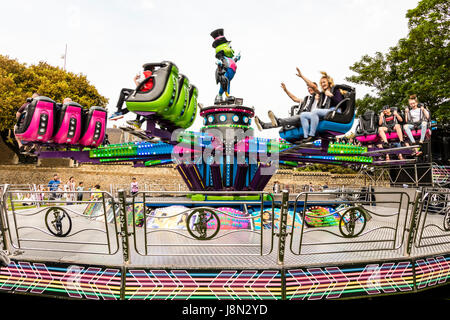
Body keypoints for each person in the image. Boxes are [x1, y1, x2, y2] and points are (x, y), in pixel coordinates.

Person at [267, 69, 345, 143]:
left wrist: (331, 95)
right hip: (325, 112)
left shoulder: (335, 90)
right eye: (321, 83)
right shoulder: (322, 94)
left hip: (335, 111)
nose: (323, 84)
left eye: (324, 82)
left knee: (315, 111)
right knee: (303, 115)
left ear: (329, 82)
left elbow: (339, 102)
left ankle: (312, 135)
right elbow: (310, 87)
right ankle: (306, 136)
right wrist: (301, 77)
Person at [254, 75, 320, 131]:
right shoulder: (307, 99)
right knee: (284, 121)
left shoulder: (319, 96)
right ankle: (263, 125)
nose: (309, 89)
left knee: (295, 117)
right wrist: (286, 90)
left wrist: (302, 76)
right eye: (308, 88)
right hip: (300, 119)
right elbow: (294, 98)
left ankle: (276, 120)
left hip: (309, 118)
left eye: (310, 87)